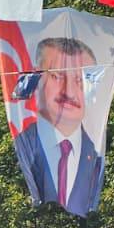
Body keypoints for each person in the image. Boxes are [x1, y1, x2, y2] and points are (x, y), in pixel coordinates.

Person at [12, 37, 104, 217]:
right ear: (35, 80)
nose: (69, 92)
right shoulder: (20, 145)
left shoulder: (97, 157)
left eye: (81, 81)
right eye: (57, 76)